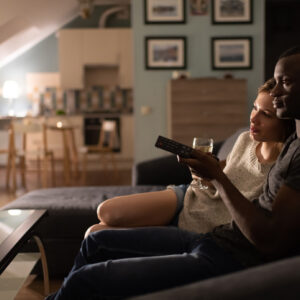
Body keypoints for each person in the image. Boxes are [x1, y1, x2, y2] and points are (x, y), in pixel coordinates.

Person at [46, 46, 300, 300]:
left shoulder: (290, 152)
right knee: (95, 240)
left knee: (86, 275)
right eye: (257, 107)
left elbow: (269, 238)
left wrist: (216, 177)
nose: (275, 93)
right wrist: (208, 170)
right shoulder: (290, 141)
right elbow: (230, 173)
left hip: (223, 252)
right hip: (213, 234)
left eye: (285, 83)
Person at [85, 78, 294, 236]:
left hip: (207, 223)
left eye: (265, 114)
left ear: (285, 121)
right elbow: (226, 171)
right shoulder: (245, 139)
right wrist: (203, 170)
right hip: (190, 197)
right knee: (106, 211)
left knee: (95, 233)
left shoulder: (284, 167)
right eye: (254, 108)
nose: (254, 118)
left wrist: (214, 177)